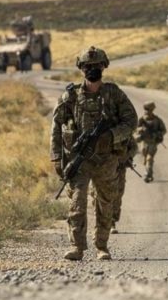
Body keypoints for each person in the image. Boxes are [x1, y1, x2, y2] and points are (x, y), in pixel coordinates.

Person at [50, 46, 138, 261]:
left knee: (105, 204)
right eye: (88, 66)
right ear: (81, 69)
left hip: (107, 160)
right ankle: (76, 247)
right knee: (77, 204)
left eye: (96, 66)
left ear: (103, 67)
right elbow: (56, 127)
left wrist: (112, 135)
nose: (92, 70)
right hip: (79, 161)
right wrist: (56, 157)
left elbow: (131, 121)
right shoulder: (70, 96)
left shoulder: (114, 94)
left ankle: (102, 246)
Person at [135, 101, 167, 183]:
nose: (147, 111)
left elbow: (163, 130)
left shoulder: (157, 120)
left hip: (153, 142)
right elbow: (136, 129)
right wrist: (141, 130)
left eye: (148, 109)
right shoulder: (142, 119)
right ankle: (148, 170)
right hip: (144, 142)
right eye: (146, 109)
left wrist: (156, 134)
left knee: (149, 159)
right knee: (145, 158)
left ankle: (148, 174)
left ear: (152, 110)